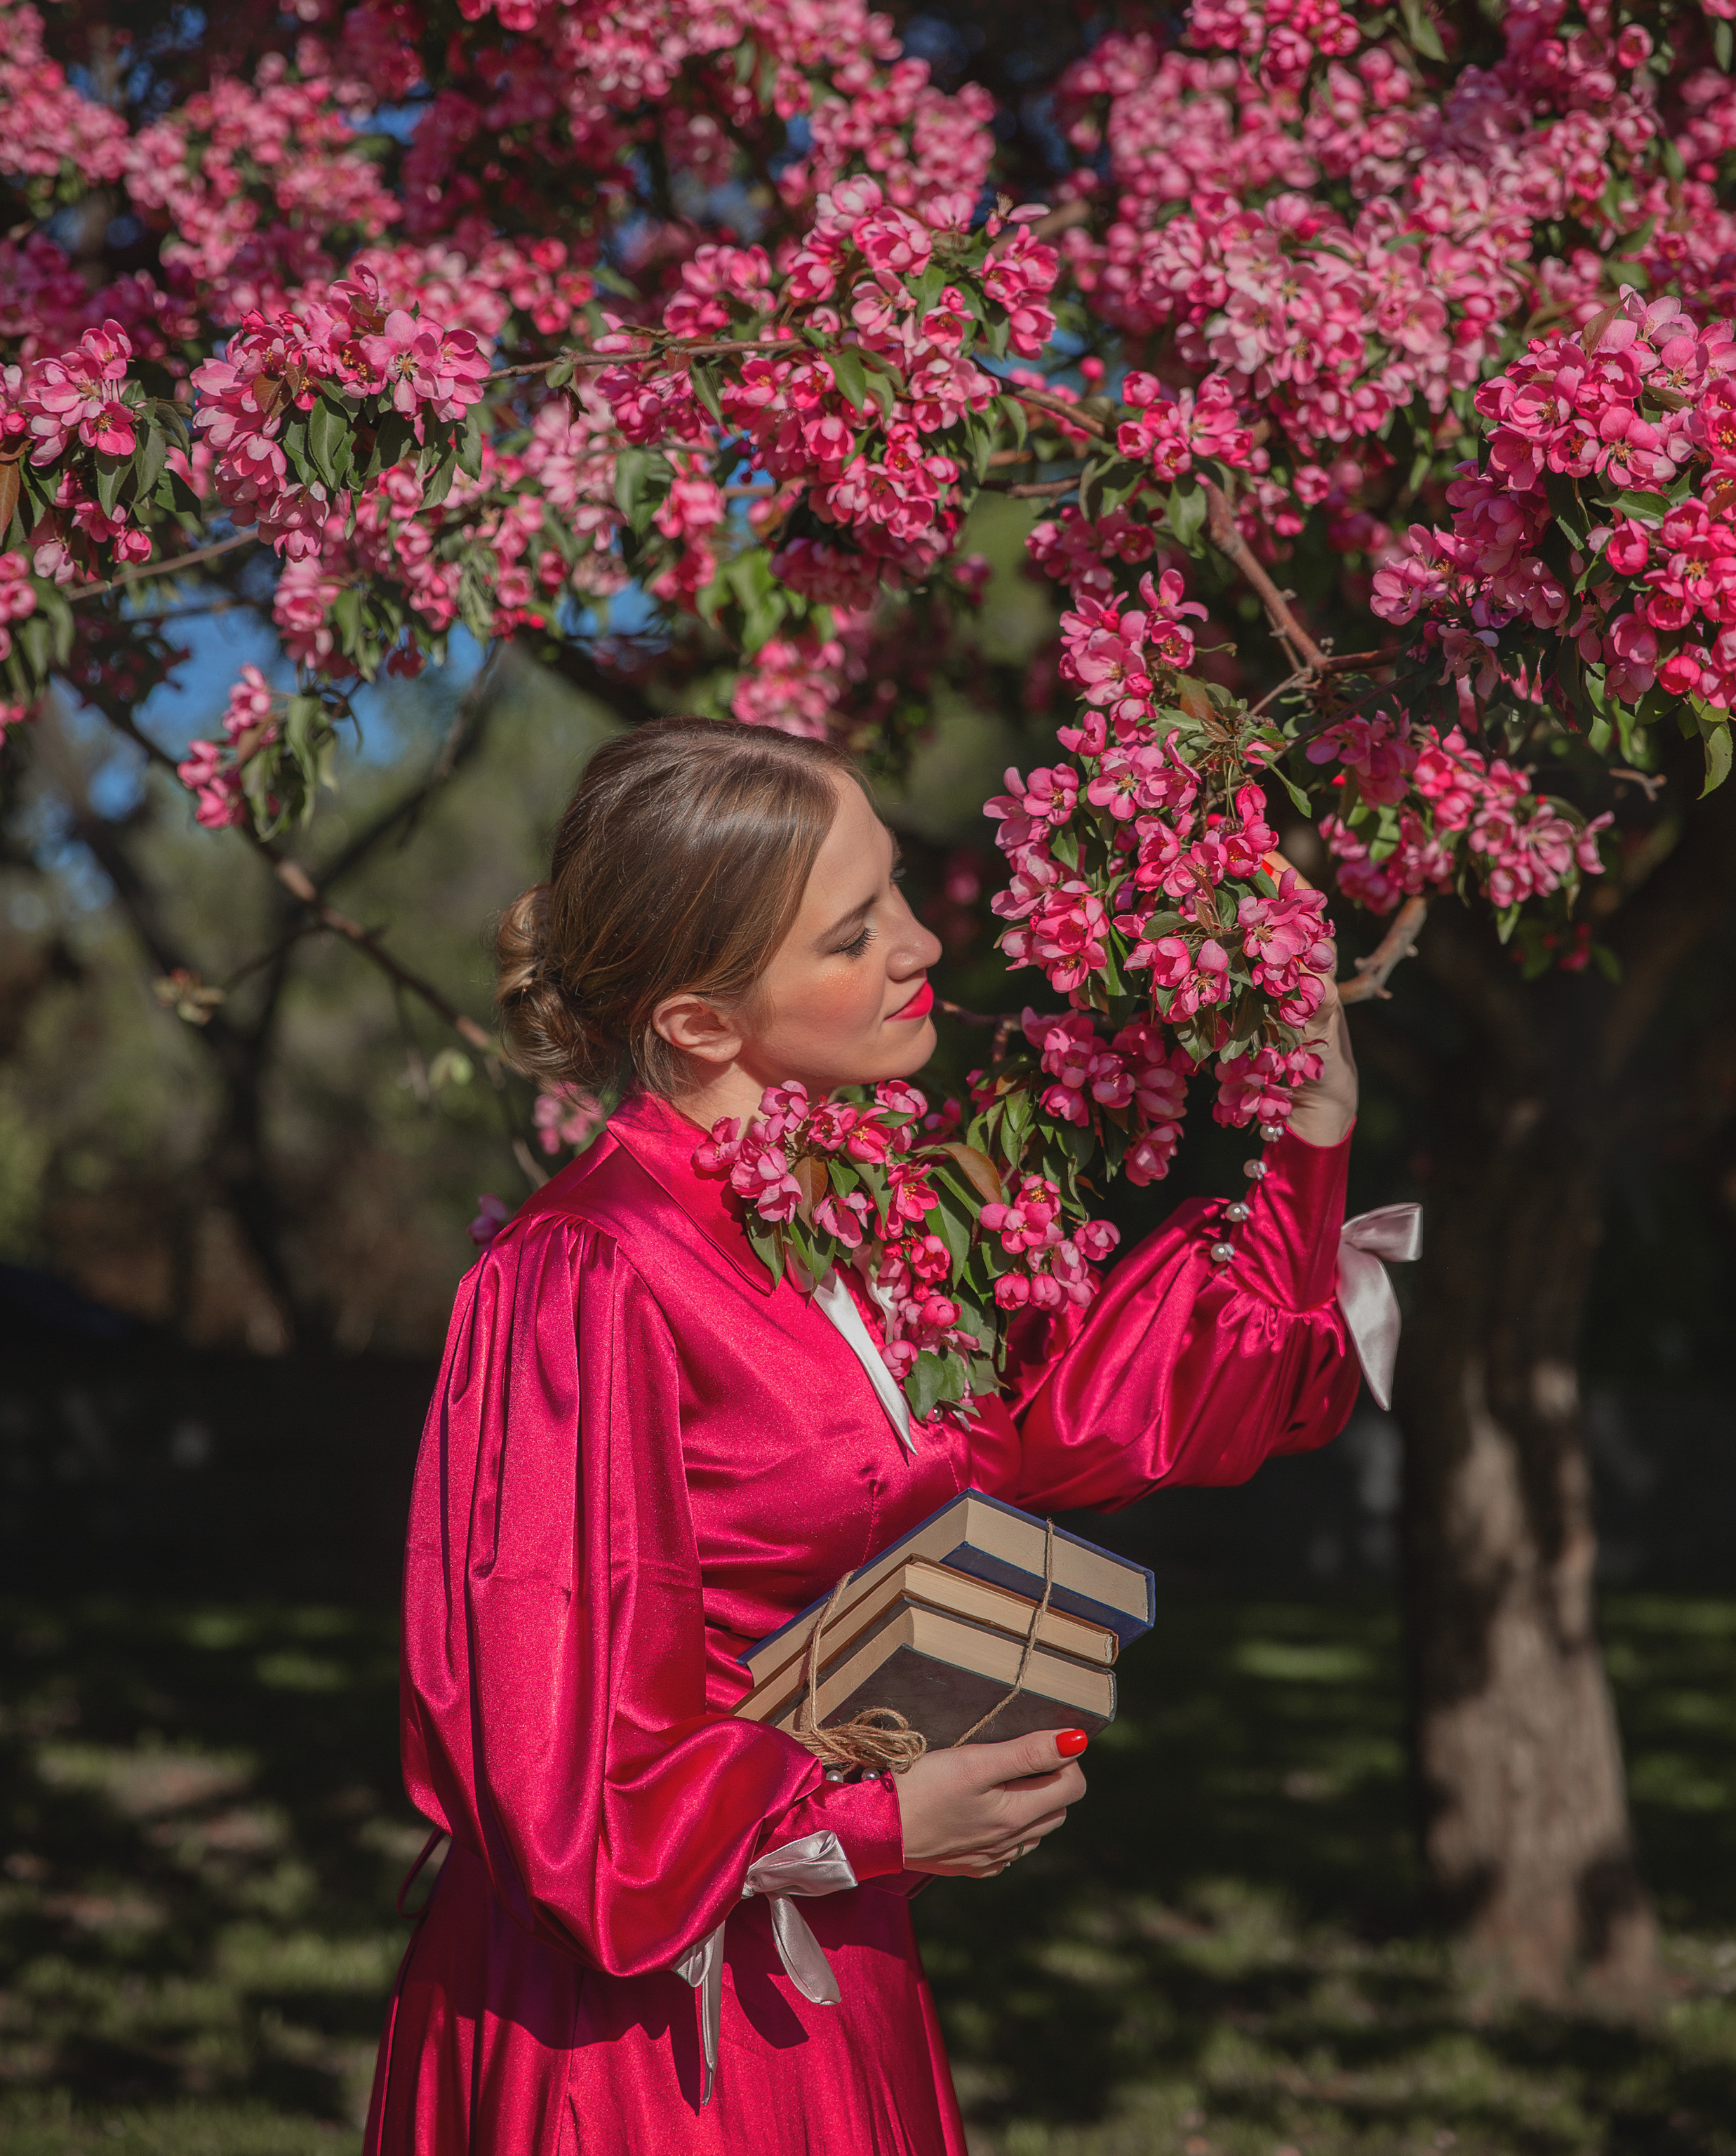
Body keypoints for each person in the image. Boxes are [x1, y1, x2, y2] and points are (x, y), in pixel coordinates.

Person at [364, 718, 1363, 2155]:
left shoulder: (867, 1208)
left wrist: (1305, 1137)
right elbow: (559, 1785)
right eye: (851, 934)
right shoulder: (587, 1274)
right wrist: (884, 1826)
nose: (918, 946)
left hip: (830, 1961)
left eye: (895, 889)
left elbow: (1083, 1419)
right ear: (702, 1021)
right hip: (634, 2031)